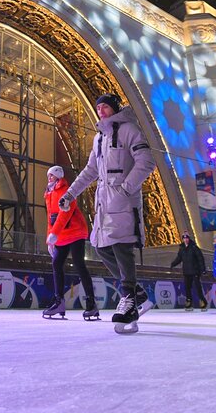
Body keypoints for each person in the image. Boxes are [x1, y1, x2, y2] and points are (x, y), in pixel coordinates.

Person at [58, 93, 157, 332]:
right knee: (101, 247)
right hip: (104, 202)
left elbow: (146, 161)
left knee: (122, 246)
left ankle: (129, 298)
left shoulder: (129, 130)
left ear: (114, 109)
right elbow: (91, 170)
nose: (101, 111)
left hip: (123, 199)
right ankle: (138, 293)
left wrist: (125, 189)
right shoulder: (99, 138)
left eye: (105, 107)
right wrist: (70, 194)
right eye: (98, 107)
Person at [42, 165, 99, 320]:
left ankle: (91, 303)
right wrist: (50, 239)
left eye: (52, 176)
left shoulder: (68, 192)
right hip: (61, 235)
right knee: (56, 264)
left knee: (79, 263)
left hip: (75, 232)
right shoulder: (49, 194)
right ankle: (59, 301)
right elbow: (50, 219)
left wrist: (54, 234)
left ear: (59, 177)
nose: (49, 178)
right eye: (48, 176)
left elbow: (64, 215)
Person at [170, 232, 208, 311]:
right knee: (187, 287)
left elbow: (200, 259)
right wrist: (173, 264)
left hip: (195, 271)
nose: (185, 240)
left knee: (198, 287)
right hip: (186, 271)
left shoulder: (194, 247)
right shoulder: (182, 248)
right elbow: (179, 258)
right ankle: (189, 302)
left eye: (187, 238)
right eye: (184, 238)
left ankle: (202, 301)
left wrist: (203, 269)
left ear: (189, 238)